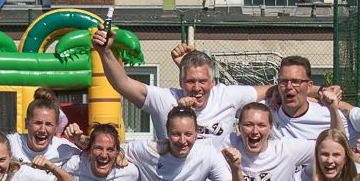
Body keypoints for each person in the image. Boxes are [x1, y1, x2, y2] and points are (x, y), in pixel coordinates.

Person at [92, 30, 270, 140]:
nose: (197, 88)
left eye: (202, 81)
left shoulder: (227, 95)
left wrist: (280, 93)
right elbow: (122, 83)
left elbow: (271, 89)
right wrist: (105, 52)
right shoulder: (165, 99)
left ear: (213, 82)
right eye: (190, 81)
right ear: (180, 82)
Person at [123, 106, 244, 181]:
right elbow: (112, 150)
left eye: (188, 134)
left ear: (196, 134)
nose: (182, 140)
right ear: (168, 133)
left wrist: (236, 169)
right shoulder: (147, 150)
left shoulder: (207, 155)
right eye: (176, 134)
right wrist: (119, 155)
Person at [208, 102, 314, 181]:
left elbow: (332, 148)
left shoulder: (286, 150)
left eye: (261, 125)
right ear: (239, 127)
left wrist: (333, 108)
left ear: (270, 128)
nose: (254, 131)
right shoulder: (229, 145)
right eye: (248, 125)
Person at [271, 56, 337, 141]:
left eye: (296, 82)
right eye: (283, 81)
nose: (289, 86)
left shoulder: (329, 116)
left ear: (309, 86)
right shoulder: (265, 112)